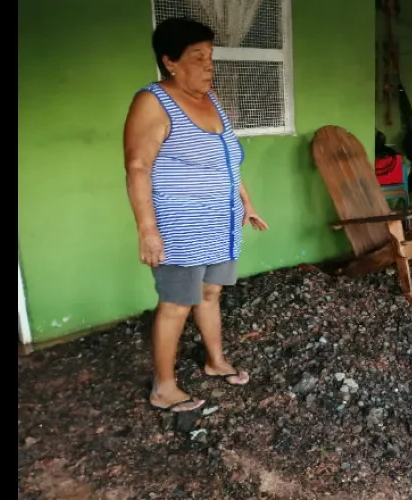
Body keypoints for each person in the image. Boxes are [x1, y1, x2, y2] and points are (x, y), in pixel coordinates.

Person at [123, 17, 268, 413]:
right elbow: (138, 167)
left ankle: (215, 361)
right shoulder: (152, 102)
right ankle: (164, 388)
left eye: (211, 56)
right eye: (198, 57)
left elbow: (226, 161)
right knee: (175, 303)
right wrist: (148, 230)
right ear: (170, 61)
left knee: (211, 292)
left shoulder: (211, 99)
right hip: (179, 227)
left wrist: (247, 201)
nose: (209, 65)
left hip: (220, 223)